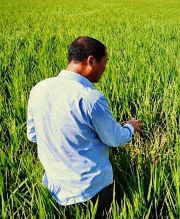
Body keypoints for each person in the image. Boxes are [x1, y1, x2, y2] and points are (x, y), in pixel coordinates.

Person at [26, 36, 142, 217]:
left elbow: (33, 135)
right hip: (91, 190)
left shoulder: (39, 89)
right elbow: (115, 138)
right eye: (105, 62)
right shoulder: (90, 99)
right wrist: (130, 127)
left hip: (54, 186)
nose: (105, 69)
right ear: (91, 61)